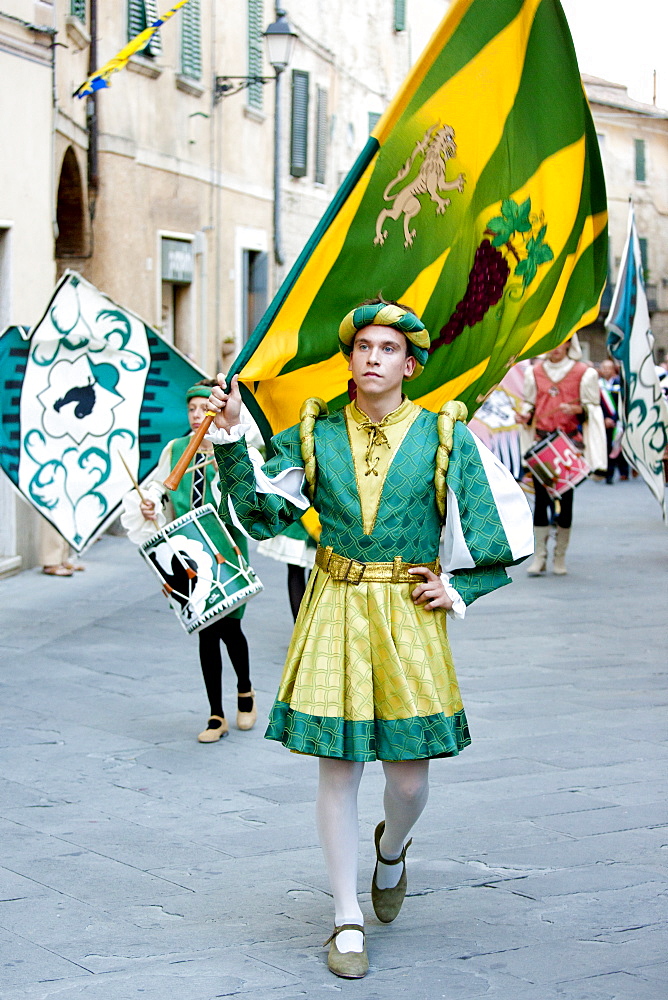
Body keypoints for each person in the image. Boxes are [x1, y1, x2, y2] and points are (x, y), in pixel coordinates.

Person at [206, 299, 533, 978]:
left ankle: (391, 850)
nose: (373, 357)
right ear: (350, 361)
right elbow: (263, 514)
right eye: (363, 348)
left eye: (388, 348)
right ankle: (346, 917)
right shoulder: (313, 433)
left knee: (409, 785)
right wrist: (234, 437)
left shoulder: (446, 436)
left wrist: (462, 588)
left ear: (410, 364)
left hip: (408, 611)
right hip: (333, 603)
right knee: (339, 767)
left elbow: (499, 534)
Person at [121, 380, 257, 742]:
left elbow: (246, 492)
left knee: (231, 629)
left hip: (225, 547)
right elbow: (159, 488)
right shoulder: (177, 448)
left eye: (203, 408)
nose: (197, 416)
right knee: (206, 630)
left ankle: (245, 689)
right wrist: (149, 504)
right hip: (186, 551)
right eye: (191, 410)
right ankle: (216, 715)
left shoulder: (229, 445)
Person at [518, 336, 606, 576]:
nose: (555, 349)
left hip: (568, 446)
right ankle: (540, 557)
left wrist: (577, 409)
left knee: (566, 501)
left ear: (569, 345)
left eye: (561, 343)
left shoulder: (583, 373)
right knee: (541, 501)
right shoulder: (535, 372)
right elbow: (529, 404)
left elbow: (592, 407)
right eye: (552, 343)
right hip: (542, 446)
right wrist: (524, 416)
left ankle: (559, 557)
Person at [598, 358, 628, 484]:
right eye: (604, 368)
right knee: (606, 448)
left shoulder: (619, 383)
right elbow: (596, 404)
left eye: (608, 368)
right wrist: (604, 418)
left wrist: (615, 419)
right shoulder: (598, 384)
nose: (606, 370)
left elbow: (623, 403)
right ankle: (608, 474)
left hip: (618, 421)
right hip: (603, 421)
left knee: (619, 446)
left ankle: (623, 472)